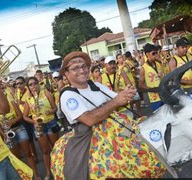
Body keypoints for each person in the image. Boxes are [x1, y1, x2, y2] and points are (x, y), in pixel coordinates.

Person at [51, 51, 166, 179]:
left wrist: (127, 93)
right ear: (66, 73)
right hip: (88, 135)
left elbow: (118, 99)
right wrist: (117, 101)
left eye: (84, 66)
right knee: (83, 170)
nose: (82, 70)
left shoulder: (96, 85)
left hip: (115, 127)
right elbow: (88, 119)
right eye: (75, 68)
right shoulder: (68, 95)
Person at [23, 77, 60, 179]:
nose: (33, 86)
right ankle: (48, 172)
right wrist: (34, 122)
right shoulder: (28, 100)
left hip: (50, 123)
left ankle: (60, 168)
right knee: (45, 151)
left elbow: (55, 108)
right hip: (39, 127)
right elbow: (25, 116)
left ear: (38, 84)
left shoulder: (46, 93)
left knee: (56, 147)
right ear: (28, 87)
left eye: (35, 83)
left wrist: (51, 111)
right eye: (30, 84)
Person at [139, 43, 164, 111]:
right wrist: (152, 89)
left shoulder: (159, 64)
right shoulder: (143, 68)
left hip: (164, 94)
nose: (156, 55)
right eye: (153, 53)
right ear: (147, 54)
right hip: (154, 98)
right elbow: (141, 85)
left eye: (156, 53)